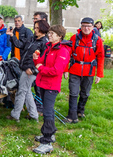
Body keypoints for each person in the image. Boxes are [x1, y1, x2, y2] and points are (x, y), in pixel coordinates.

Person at [32, 25, 72, 154]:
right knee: (47, 110)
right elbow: (41, 62)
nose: (49, 35)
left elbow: (57, 70)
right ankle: (50, 134)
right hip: (43, 83)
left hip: (51, 86)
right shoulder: (49, 47)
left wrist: (41, 68)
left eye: (52, 34)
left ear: (60, 36)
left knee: (47, 112)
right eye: (49, 33)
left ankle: (47, 142)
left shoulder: (63, 50)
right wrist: (36, 59)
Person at [63, 17, 104, 123]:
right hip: (75, 69)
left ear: (92, 27)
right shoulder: (74, 38)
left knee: (85, 93)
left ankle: (80, 110)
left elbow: (100, 57)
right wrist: (65, 70)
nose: (86, 28)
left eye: (89, 26)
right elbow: (67, 55)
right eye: (84, 26)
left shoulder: (97, 40)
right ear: (81, 26)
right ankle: (72, 116)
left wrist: (99, 74)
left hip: (89, 71)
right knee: (73, 92)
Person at [7, 20, 49, 122]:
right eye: (34, 27)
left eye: (37, 28)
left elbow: (45, 60)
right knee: (27, 92)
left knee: (21, 92)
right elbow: (20, 45)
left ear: (43, 29)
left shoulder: (44, 43)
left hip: (30, 71)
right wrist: (12, 36)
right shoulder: (32, 39)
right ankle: (34, 115)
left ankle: (15, 115)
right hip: (23, 68)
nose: (35, 30)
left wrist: (34, 70)